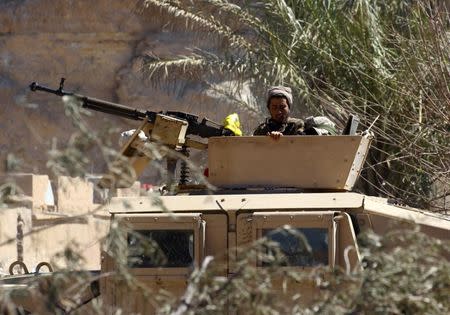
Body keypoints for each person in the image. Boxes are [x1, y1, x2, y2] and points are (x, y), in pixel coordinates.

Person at [253, 86, 336, 139]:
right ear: (269, 108)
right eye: (274, 107)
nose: (278, 111)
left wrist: (282, 140)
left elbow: (299, 145)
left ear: (289, 107)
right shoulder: (261, 129)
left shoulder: (296, 125)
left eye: (282, 107)